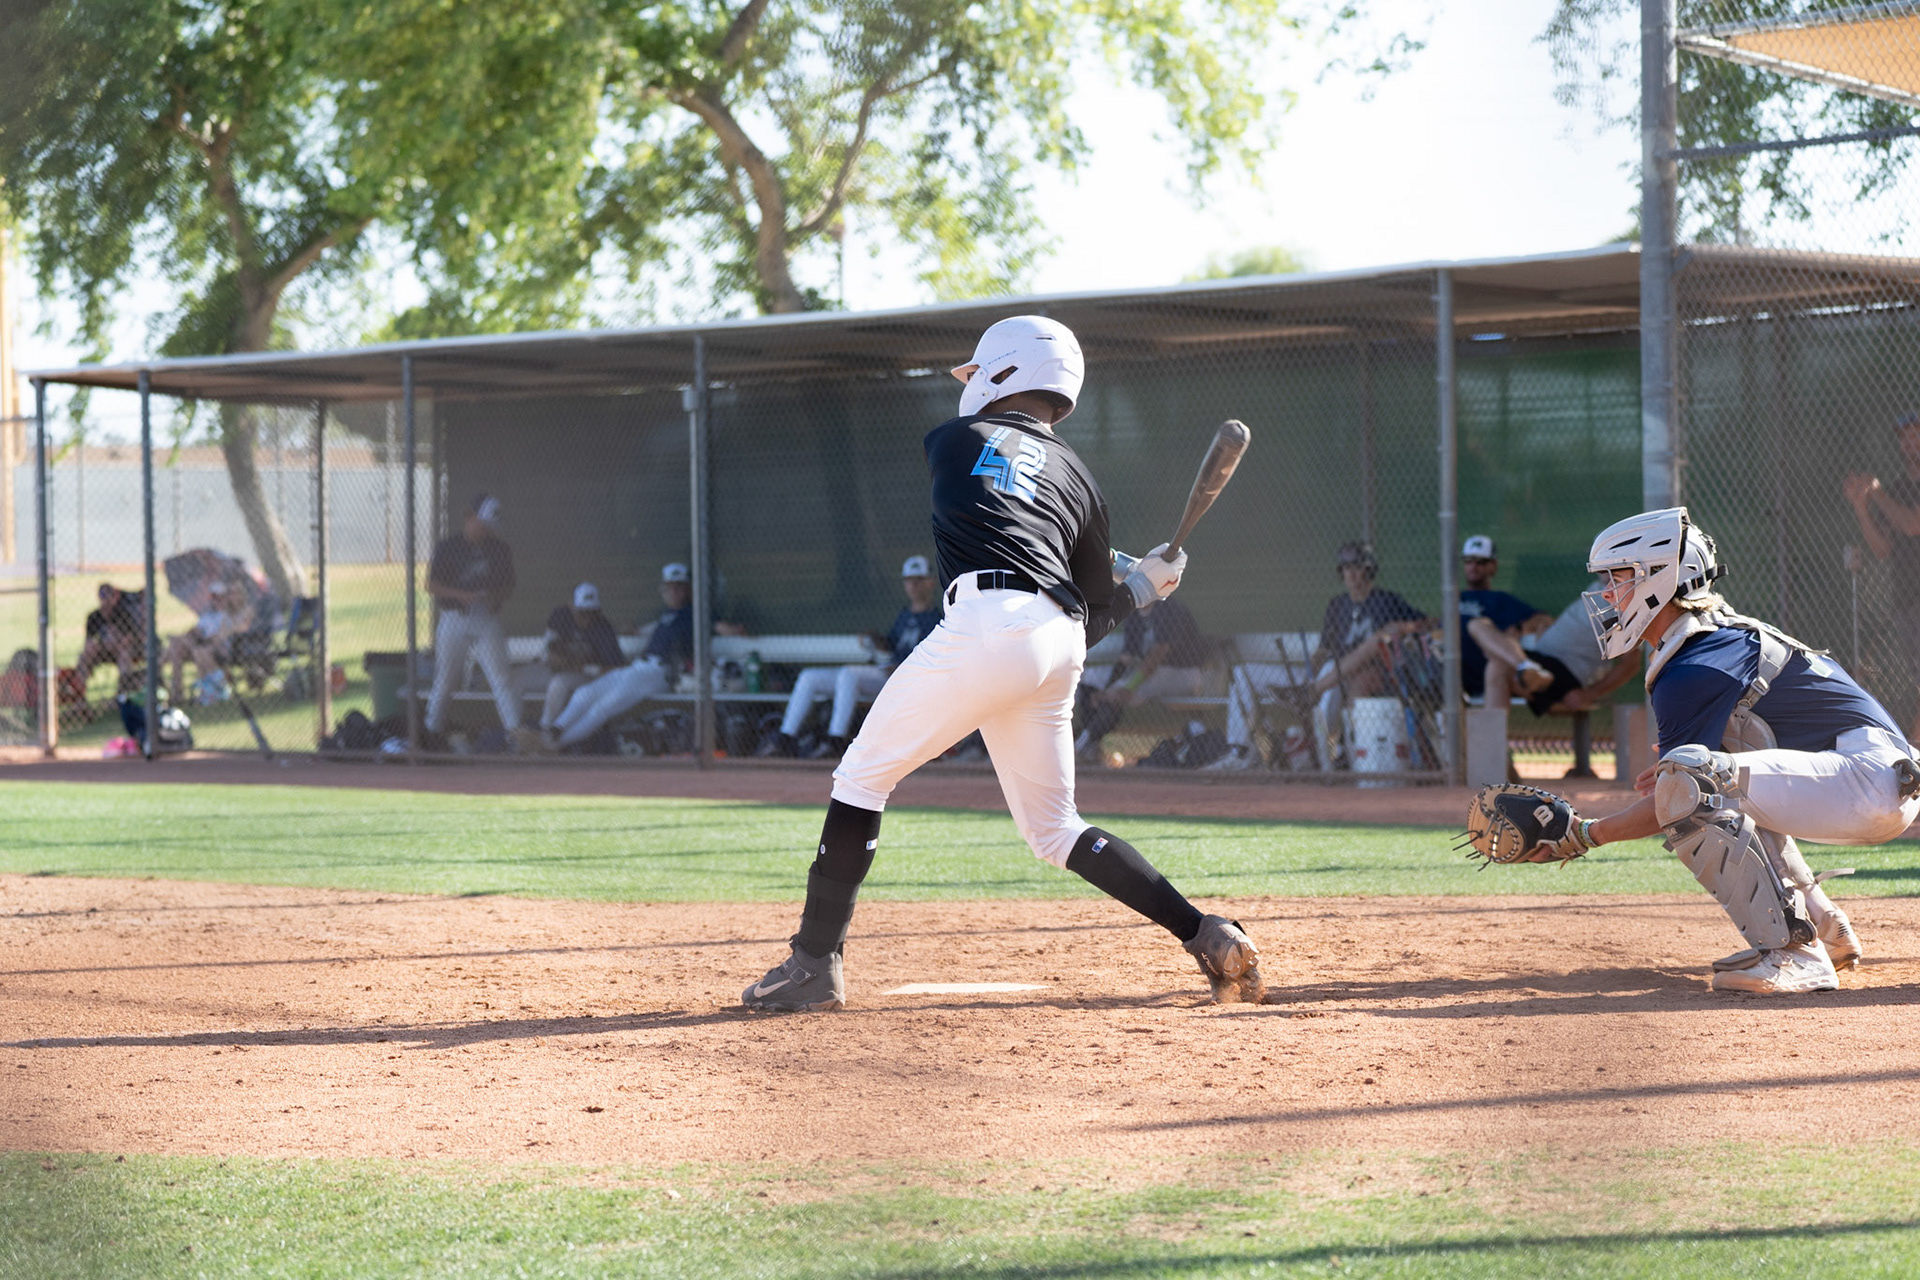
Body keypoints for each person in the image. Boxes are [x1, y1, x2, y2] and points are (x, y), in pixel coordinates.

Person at [741, 315, 1265, 1013]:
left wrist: (1130, 576)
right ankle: (1205, 932)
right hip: (1056, 643)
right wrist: (1139, 586)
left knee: (861, 778)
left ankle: (812, 965)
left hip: (987, 623)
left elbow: (1004, 501)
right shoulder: (1082, 480)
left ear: (1005, 372)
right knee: (1055, 829)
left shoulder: (955, 439)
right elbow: (1089, 608)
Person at [1516, 507, 1918, 995]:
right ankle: (1823, 925)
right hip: (1874, 781)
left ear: (1659, 581)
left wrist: (1584, 834)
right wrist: (1683, 779)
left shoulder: (1695, 662)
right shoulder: (1713, 642)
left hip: (1866, 783)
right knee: (1710, 782)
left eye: (1618, 578)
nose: (1606, 594)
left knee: (1694, 783)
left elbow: (1676, 797)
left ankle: (1794, 954)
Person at [759, 555, 944, 760]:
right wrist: (877, 639)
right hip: (883, 673)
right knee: (809, 677)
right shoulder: (905, 614)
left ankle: (835, 740)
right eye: (909, 580)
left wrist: (901, 667)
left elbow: (931, 658)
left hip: (903, 680)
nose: (913, 585)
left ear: (930, 582)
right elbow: (890, 646)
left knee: (849, 674)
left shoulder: (935, 619)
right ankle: (786, 737)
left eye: (919, 580)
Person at [547, 562, 694, 750]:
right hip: (639, 668)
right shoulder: (668, 614)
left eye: (678, 588)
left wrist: (728, 630)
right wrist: (636, 631)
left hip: (659, 673)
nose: (673, 592)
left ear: (686, 590)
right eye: (669, 588)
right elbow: (655, 628)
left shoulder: (693, 613)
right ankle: (553, 731)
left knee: (602, 707)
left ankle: (553, 745)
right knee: (584, 693)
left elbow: (718, 626)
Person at [1845, 412, 1920, 740]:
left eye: (1916, 435)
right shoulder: (1898, 489)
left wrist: (1875, 493)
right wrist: (1861, 507)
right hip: (1906, 599)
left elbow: (1913, 525)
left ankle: (1913, 751)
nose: (1911, 442)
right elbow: (1882, 549)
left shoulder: (1888, 494)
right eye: (1905, 437)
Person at [425, 494, 520, 744]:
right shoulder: (449, 547)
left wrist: (495, 597)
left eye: (489, 526)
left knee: (501, 678)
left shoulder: (498, 548)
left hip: (486, 617)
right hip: (454, 616)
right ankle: (431, 733)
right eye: (482, 523)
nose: (485, 530)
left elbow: (508, 586)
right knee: (446, 680)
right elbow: (431, 585)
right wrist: (461, 595)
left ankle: (516, 735)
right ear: (469, 517)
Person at [1073, 595, 1211, 764]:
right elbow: (1127, 658)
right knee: (1090, 678)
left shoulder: (1167, 607)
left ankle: (1081, 745)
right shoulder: (1135, 611)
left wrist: (1128, 687)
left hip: (1184, 674)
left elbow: (1158, 654)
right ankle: (1092, 745)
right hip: (1151, 674)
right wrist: (1106, 689)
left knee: (1118, 692)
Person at [1457, 534, 1555, 706]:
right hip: (1456, 673)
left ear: (1493, 566)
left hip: (1489, 669)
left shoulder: (1500, 600)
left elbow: (1544, 619)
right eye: (1469, 561)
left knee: (1477, 626)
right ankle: (1526, 667)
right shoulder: (1454, 598)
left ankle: (1526, 668)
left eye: (1481, 562)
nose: (1474, 566)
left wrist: (1520, 627)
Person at [1516, 587, 1642, 718]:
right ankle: (1526, 672)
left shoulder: (1625, 605)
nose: (1610, 581)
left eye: (1616, 578)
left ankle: (1529, 674)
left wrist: (1591, 693)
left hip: (1566, 671)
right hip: (1540, 656)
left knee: (1503, 665)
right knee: (1502, 657)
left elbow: (1631, 664)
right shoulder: (1599, 587)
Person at [540, 582, 626, 736]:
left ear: (598, 612)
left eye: (592, 613)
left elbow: (616, 668)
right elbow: (551, 656)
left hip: (592, 678)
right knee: (554, 681)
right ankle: (543, 730)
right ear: (572, 608)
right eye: (582, 613)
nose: (588, 619)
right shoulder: (562, 617)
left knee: (561, 683)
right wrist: (565, 662)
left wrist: (583, 668)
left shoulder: (604, 628)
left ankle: (549, 731)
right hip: (562, 672)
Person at [162, 580, 242, 705]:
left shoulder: (227, 615)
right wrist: (190, 635)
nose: (216, 600)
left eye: (220, 597)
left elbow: (219, 637)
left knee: (195, 650)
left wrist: (199, 639)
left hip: (216, 647)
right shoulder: (207, 615)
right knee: (176, 648)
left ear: (225, 598)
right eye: (214, 597)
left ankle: (198, 692)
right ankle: (177, 693)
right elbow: (196, 630)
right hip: (200, 645)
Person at [75, 582, 147, 694]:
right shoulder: (93, 617)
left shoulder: (122, 614)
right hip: (101, 651)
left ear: (114, 598)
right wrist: (100, 645)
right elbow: (88, 642)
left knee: (124, 656)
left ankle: (122, 694)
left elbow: (129, 639)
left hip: (119, 650)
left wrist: (115, 643)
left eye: (109, 596)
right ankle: (80, 693)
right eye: (103, 596)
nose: (106, 601)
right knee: (83, 657)